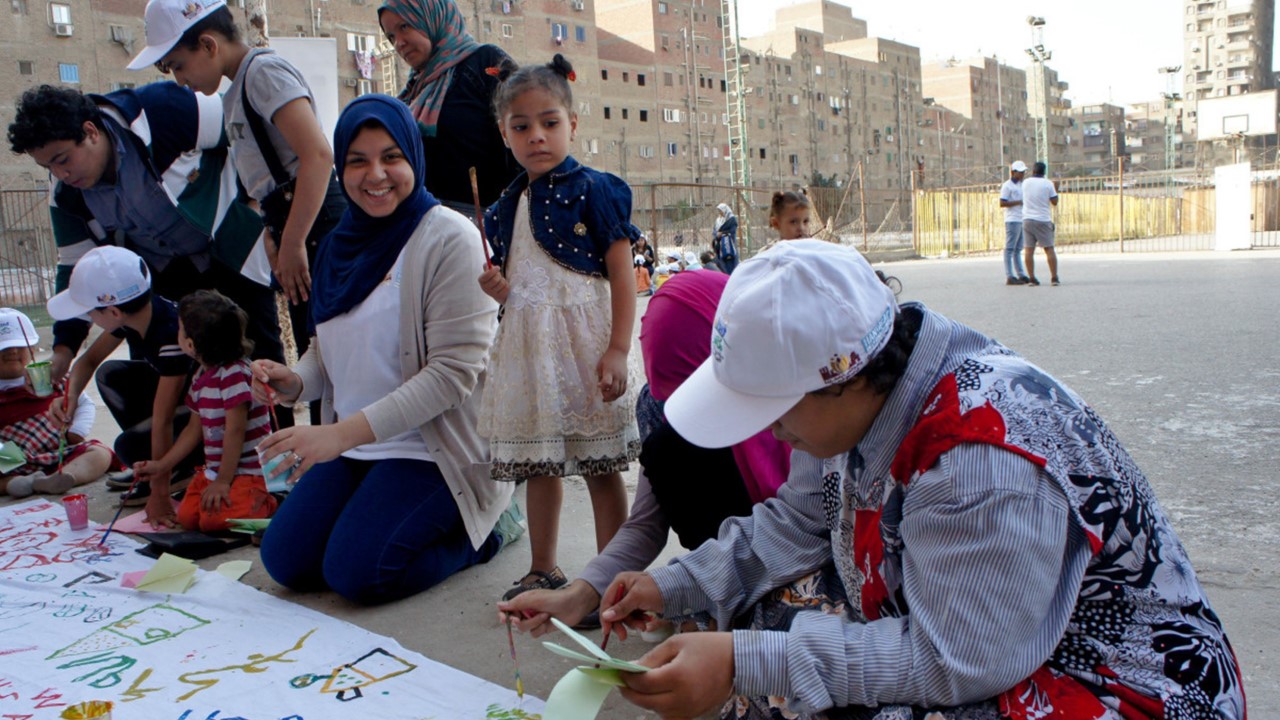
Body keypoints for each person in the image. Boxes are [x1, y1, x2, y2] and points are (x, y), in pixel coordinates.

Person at [601, 240, 1244, 720]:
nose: (768, 435)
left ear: (846, 378)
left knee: (803, 677)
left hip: (1116, 679)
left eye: (771, 413)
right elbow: (798, 520)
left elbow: (950, 660)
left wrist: (747, 662)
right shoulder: (858, 390)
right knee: (765, 622)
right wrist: (668, 585)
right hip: (989, 627)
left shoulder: (978, 468)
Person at [250, 95, 517, 605]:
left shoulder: (448, 239)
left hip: (433, 451)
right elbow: (326, 347)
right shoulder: (337, 245)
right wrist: (297, 381)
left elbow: (452, 375)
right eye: (357, 161)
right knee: (287, 561)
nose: (376, 174)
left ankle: (488, 532)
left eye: (391, 157)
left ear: (414, 158)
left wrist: (335, 436)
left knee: (359, 573)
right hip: (354, 446)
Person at [497, 270, 789, 632]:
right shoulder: (659, 408)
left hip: (796, 565)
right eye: (684, 401)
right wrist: (583, 593)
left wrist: (677, 593)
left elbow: (795, 533)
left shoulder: (800, 411)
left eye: (705, 396)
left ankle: (725, 609)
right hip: (735, 558)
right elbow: (647, 522)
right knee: (670, 449)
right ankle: (719, 604)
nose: (699, 417)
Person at [133, 0, 348, 423]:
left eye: (179, 65)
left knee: (333, 350)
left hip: (317, 226)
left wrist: (294, 240)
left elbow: (318, 157)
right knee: (317, 348)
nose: (180, 80)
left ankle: (340, 457)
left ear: (208, 45)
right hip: (290, 224)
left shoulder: (263, 73)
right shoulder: (237, 88)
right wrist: (273, 232)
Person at [478, 55, 639, 601]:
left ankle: (609, 579)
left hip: (587, 349)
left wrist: (618, 348)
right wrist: (500, 291)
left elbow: (622, 276)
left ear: (573, 122)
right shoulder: (503, 206)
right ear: (504, 133)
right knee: (539, 464)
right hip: (532, 356)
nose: (536, 136)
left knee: (599, 464)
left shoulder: (597, 190)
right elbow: (518, 284)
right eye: (521, 127)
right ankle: (542, 567)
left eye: (549, 122)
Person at [7, 83, 281, 387]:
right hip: (162, 281)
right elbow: (75, 266)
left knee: (261, 363)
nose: (62, 175)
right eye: (48, 167)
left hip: (232, 249)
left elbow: (247, 126)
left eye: (62, 160)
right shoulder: (66, 195)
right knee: (173, 378)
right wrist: (64, 350)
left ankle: (278, 432)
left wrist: (256, 203)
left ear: (91, 131)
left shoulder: (161, 111)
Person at [45, 246, 200, 526]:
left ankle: (179, 467)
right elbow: (88, 361)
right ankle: (158, 464)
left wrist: (160, 493)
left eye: (91, 312)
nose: (90, 319)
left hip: (209, 418)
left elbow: (163, 419)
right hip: (183, 402)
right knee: (111, 374)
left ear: (113, 311)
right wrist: (71, 396)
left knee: (127, 447)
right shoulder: (134, 314)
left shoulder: (170, 336)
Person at [134, 290, 277, 532]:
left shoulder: (234, 374)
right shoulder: (201, 375)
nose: (176, 334)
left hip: (249, 473)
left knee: (214, 522)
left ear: (190, 344)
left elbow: (235, 431)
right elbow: (194, 429)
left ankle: (271, 500)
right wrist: (161, 465)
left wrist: (223, 481)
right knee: (189, 518)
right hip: (216, 471)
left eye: (179, 330)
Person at [378, 0, 519, 212]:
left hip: (485, 229)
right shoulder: (410, 95)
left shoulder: (485, 63)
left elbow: (524, 138)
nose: (399, 43)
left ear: (433, 17)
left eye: (404, 27)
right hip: (428, 227)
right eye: (391, 37)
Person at [0, 308, 118, 499]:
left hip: (58, 451)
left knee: (99, 452)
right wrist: (11, 461)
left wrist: (76, 431)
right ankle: (13, 484)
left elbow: (83, 402)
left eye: (20, 345)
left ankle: (65, 477)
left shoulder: (49, 376)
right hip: (10, 460)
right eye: (4, 347)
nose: (13, 351)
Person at [1022, 161, 1060, 286]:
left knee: (1028, 250)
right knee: (1049, 249)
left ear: (1033, 171)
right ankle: (1054, 278)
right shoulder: (1048, 183)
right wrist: (1056, 189)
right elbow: (1054, 202)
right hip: (1043, 219)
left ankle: (1032, 278)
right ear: (1044, 172)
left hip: (1027, 219)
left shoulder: (1025, 183)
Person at [999, 160, 1032, 285]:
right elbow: (1002, 202)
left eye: (1023, 172)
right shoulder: (1007, 185)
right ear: (1013, 172)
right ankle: (1009, 275)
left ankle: (1021, 274)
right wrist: (1018, 202)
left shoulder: (1022, 184)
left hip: (1021, 217)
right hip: (1012, 219)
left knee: (1018, 249)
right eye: (1020, 172)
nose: (1023, 174)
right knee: (1010, 248)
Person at [712, 203, 739, 273]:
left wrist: (722, 233)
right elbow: (714, 231)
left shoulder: (731, 219)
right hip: (720, 246)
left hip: (728, 245)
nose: (720, 213)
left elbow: (732, 231)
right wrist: (716, 235)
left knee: (730, 264)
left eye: (721, 211)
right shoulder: (718, 220)